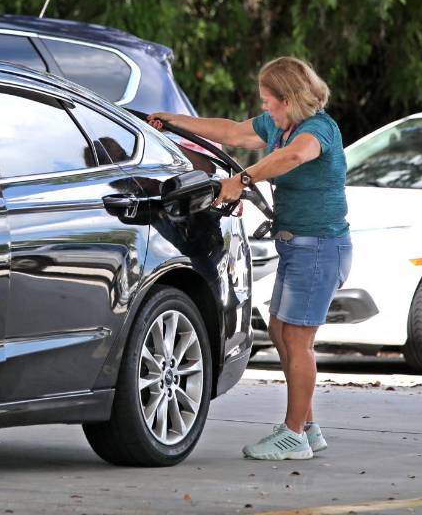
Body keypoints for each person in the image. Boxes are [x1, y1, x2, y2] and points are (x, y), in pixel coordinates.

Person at [148, 56, 350, 461]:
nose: (264, 108)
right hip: (298, 246)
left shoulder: (317, 130)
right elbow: (231, 132)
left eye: (269, 100)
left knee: (297, 341)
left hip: (319, 248)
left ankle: (294, 435)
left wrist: (241, 180)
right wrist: (174, 121)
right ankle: (306, 428)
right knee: (279, 332)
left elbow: (295, 157)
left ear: (290, 98)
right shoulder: (281, 126)